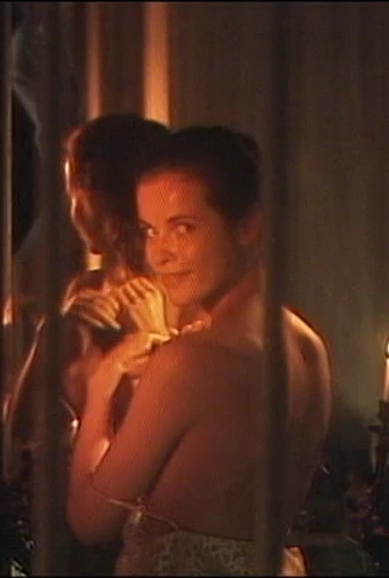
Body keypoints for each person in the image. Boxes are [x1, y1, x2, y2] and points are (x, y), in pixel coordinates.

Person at [66, 126, 333, 575]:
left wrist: (99, 390)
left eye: (183, 228)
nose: (160, 254)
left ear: (248, 226)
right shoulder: (308, 345)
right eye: (150, 231)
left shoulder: (188, 362)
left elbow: (90, 522)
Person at [0, 113, 175, 576]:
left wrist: (149, 339)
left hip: (150, 527)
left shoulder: (177, 298)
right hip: (70, 516)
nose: (73, 210)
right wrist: (48, 338)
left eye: (76, 193)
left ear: (104, 201)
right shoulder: (84, 291)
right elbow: (20, 432)